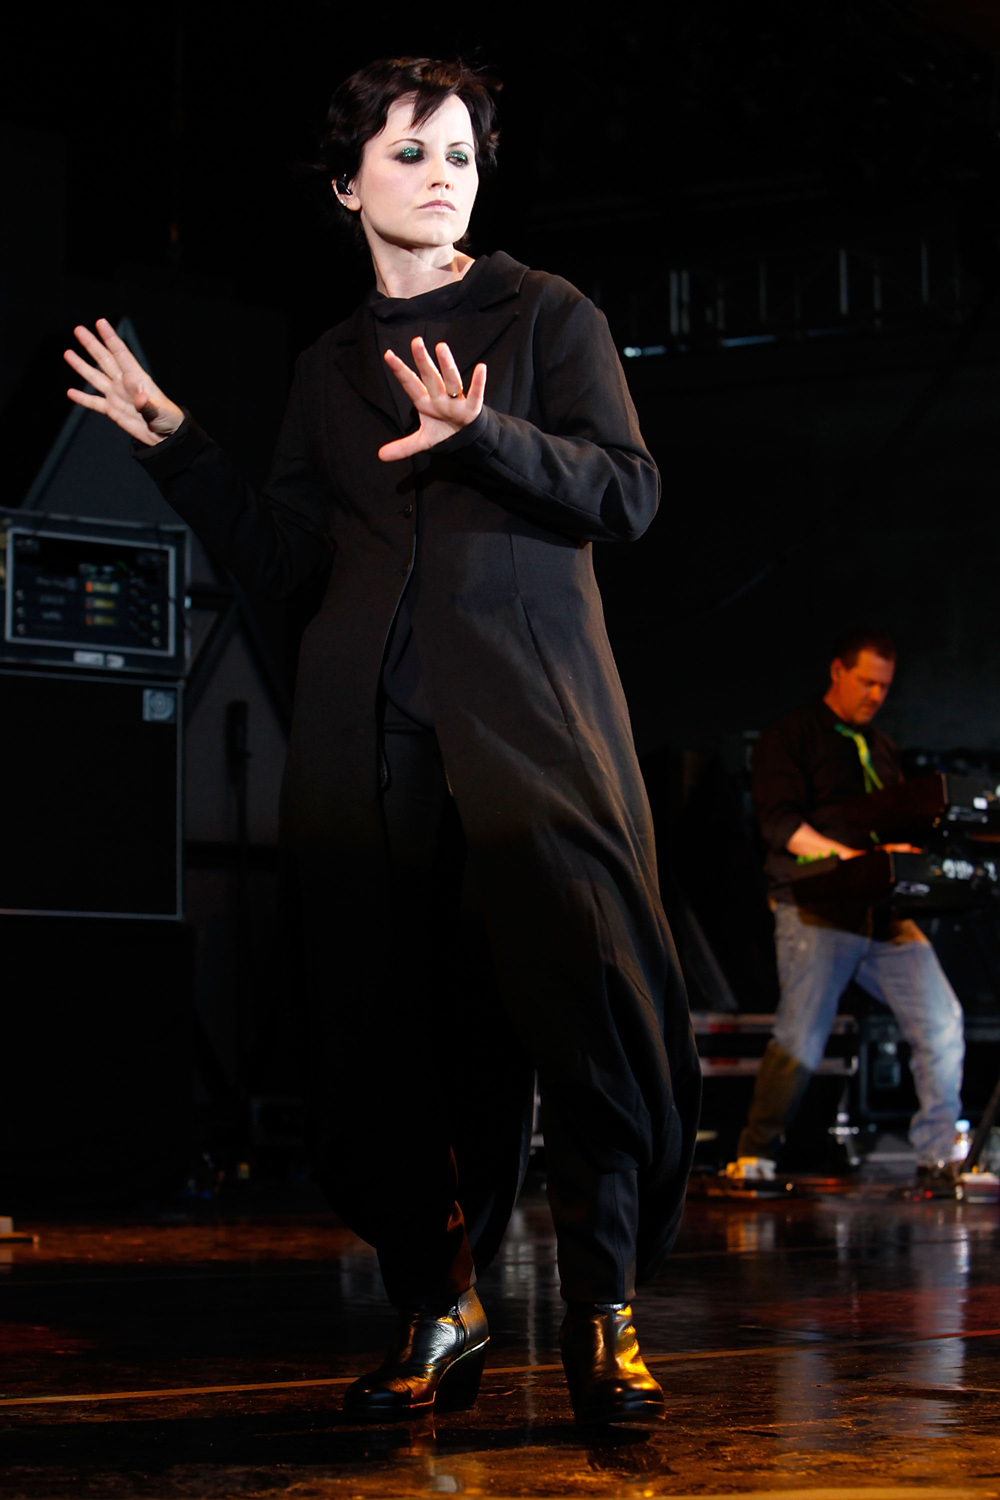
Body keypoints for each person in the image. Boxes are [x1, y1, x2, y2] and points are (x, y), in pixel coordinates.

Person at [64, 57, 700, 1424]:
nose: (440, 176)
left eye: (461, 154)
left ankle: (604, 1314)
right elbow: (292, 561)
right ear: (348, 184)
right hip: (368, 752)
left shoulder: (547, 316)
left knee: (587, 1021)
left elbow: (630, 494)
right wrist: (181, 450)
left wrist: (485, 437)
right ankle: (443, 1304)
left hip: (531, 730)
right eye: (409, 153)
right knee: (373, 1044)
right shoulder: (327, 370)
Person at [734, 628, 965, 1195]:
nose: (875, 695)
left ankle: (940, 1152)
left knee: (942, 1019)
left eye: (884, 686)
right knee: (801, 1034)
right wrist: (857, 860)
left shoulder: (880, 747)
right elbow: (782, 828)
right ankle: (755, 1154)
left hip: (878, 909)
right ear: (837, 671)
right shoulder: (790, 736)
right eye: (867, 682)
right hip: (817, 902)